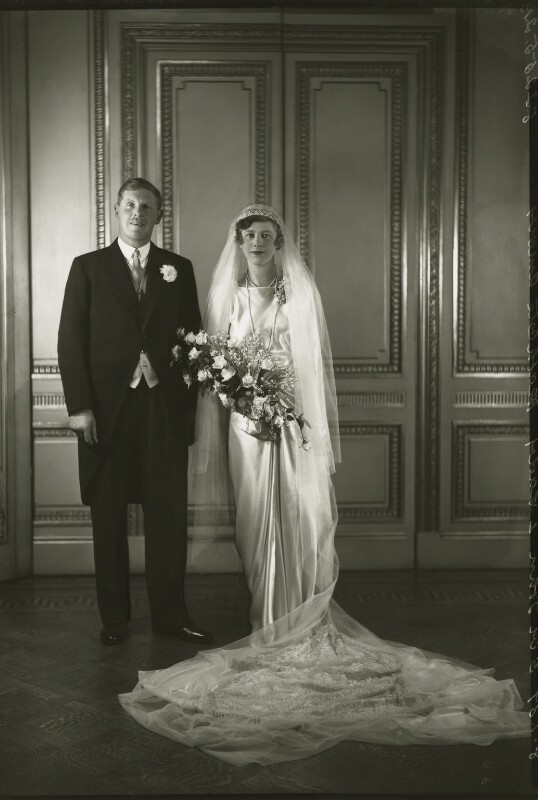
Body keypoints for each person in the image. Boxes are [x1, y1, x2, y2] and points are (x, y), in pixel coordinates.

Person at [118, 204, 528, 765]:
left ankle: (289, 621)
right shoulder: (229, 298)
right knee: (252, 522)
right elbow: (212, 363)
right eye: (249, 235)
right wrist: (241, 396)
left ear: (279, 242)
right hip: (245, 430)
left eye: (266, 235)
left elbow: (308, 368)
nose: (257, 243)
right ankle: (263, 613)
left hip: (289, 423)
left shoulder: (299, 297)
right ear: (239, 243)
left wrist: (281, 405)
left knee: (295, 516)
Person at [57, 177, 213, 647]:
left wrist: (186, 405)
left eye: (147, 206)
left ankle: (171, 617)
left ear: (158, 215)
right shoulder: (88, 268)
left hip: (163, 408)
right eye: (130, 205)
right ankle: (114, 619)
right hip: (106, 412)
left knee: (168, 516)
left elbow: (192, 339)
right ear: (116, 210)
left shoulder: (178, 268)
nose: (137, 213)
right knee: (108, 518)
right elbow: (70, 341)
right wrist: (81, 407)